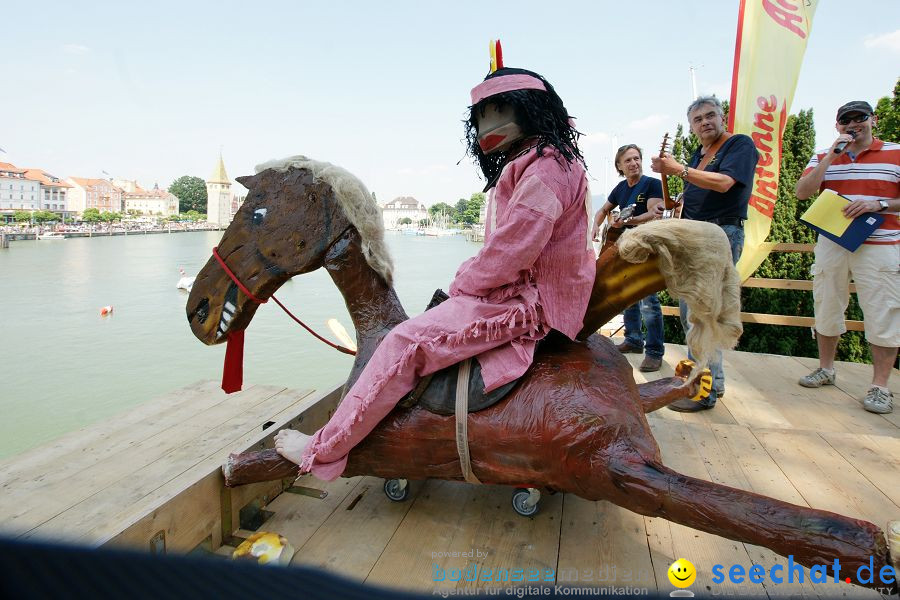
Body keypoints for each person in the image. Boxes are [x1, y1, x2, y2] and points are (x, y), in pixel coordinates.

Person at [273, 64, 596, 479]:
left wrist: (462, 284)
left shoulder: (548, 167)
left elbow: (511, 251)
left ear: (529, 108)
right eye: (479, 115)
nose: (485, 124)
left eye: (496, 110)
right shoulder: (540, 161)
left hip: (526, 304)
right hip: (520, 293)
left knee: (403, 343)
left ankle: (323, 449)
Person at [651, 95, 759, 412]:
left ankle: (699, 390)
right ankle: (712, 381)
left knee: (699, 315)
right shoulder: (700, 154)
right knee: (695, 313)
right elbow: (689, 198)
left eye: (710, 116)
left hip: (719, 234)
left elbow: (725, 183)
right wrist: (666, 204)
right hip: (697, 235)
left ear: (722, 117)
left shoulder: (738, 144)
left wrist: (679, 169)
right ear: (692, 127)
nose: (705, 123)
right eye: (698, 120)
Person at [794, 100, 899, 414]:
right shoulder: (824, 155)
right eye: (846, 121)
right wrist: (830, 156)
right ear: (837, 126)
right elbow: (802, 192)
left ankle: (880, 386)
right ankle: (826, 368)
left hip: (880, 244)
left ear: (873, 120)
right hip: (832, 242)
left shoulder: (895, 152)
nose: (853, 125)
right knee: (826, 303)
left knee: (882, 310)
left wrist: (877, 204)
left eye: (859, 118)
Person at [591, 144, 665, 372]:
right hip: (625, 248)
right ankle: (634, 340)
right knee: (626, 297)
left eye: (636, 158)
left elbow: (654, 213)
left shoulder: (652, 184)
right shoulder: (620, 188)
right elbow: (603, 210)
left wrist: (628, 222)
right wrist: (595, 225)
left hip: (646, 247)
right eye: (628, 161)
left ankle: (654, 352)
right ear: (619, 166)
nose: (634, 163)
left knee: (648, 301)